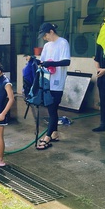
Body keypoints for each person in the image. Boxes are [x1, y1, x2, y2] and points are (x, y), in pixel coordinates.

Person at [35, 22, 71, 150]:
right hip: (47, 82)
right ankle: (54, 132)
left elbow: (67, 61)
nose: (44, 38)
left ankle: (48, 136)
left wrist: (51, 64)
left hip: (57, 82)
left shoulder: (63, 43)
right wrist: (36, 61)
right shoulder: (47, 46)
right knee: (51, 109)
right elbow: (42, 61)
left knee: (52, 108)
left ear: (51, 31)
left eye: (45, 35)